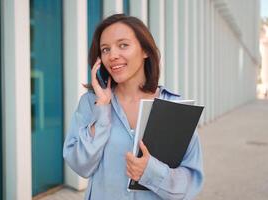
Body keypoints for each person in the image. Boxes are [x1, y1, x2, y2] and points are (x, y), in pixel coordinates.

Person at [63, 14, 203, 200]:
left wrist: (151, 172)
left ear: (145, 50)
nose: (112, 55)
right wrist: (102, 109)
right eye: (105, 49)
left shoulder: (174, 107)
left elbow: (191, 181)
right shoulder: (91, 103)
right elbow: (80, 166)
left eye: (123, 45)